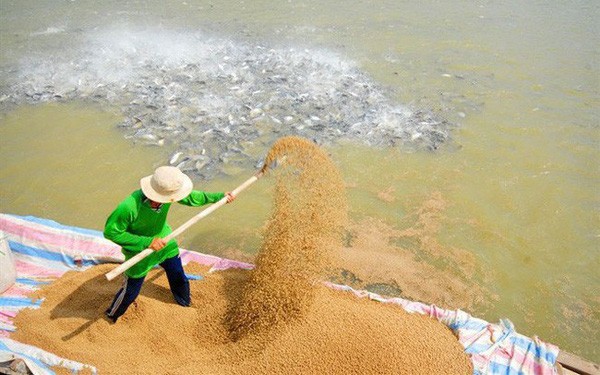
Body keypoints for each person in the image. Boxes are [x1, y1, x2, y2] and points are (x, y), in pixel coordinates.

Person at [103, 166, 235, 323]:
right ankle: (111, 315)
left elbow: (192, 197)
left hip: (165, 241)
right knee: (131, 291)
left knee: (178, 274)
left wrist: (219, 197)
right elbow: (111, 232)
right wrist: (146, 242)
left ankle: (184, 302)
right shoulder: (129, 207)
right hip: (140, 252)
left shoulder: (166, 196)